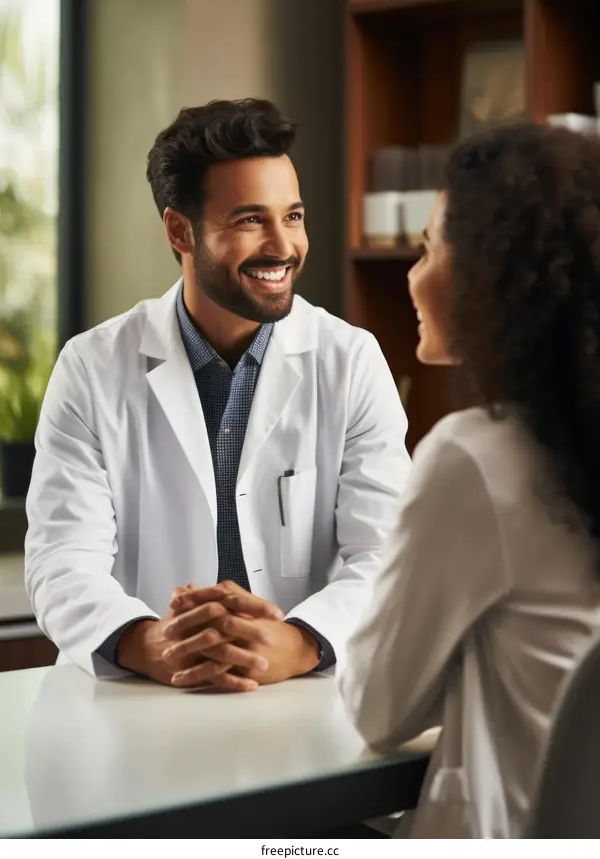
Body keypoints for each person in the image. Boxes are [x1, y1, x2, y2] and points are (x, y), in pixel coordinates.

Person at [25, 98, 410, 692]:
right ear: (180, 230)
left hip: (301, 699)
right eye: (251, 220)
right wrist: (151, 643)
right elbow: (60, 561)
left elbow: (388, 557)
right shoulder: (91, 367)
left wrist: (298, 642)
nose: (283, 246)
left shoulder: (350, 361)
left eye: (294, 216)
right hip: (135, 705)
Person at [339, 123, 600, 838]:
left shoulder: (475, 459)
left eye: (430, 247)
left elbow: (377, 708)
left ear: (493, 273)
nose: (413, 275)